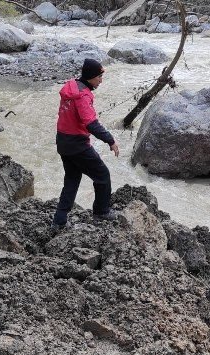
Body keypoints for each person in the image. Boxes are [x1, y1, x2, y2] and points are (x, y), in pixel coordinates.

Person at [52, 58, 120, 229]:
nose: (101, 80)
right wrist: (110, 140)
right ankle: (101, 211)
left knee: (72, 179)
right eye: (99, 77)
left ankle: (59, 220)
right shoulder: (82, 96)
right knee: (102, 175)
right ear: (90, 77)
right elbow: (91, 123)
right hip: (77, 144)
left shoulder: (72, 87)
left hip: (63, 142)